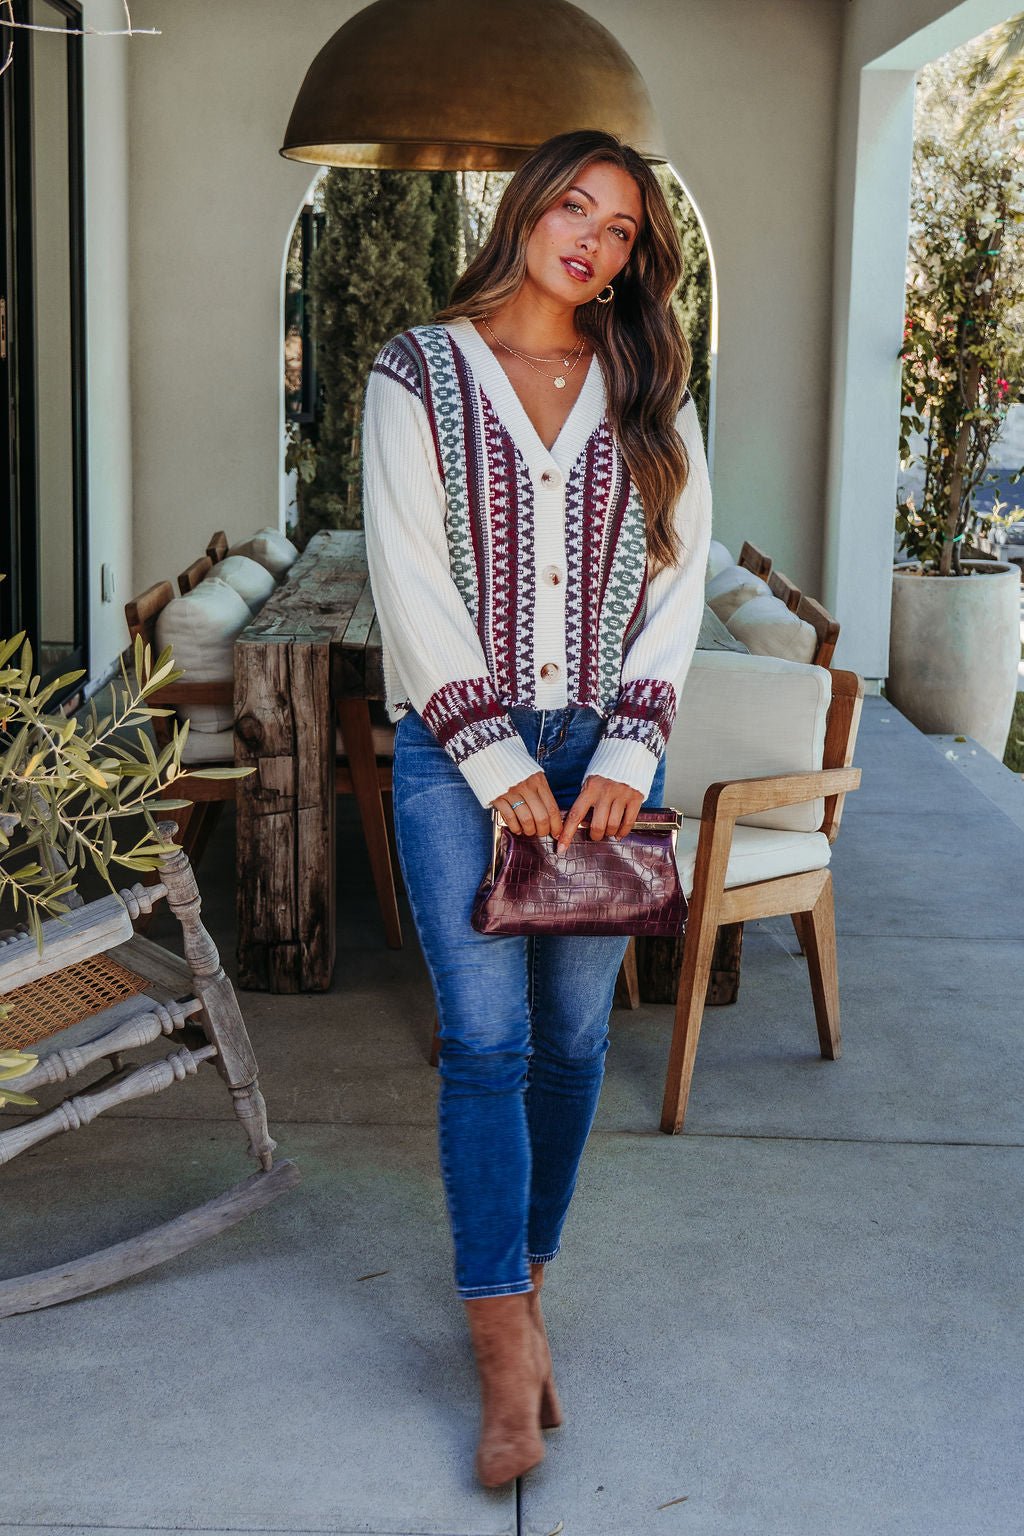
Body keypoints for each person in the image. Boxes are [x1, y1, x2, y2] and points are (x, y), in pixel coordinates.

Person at [361, 128, 713, 1487]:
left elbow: (676, 581)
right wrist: (504, 771)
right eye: (576, 206)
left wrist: (631, 746)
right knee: (486, 1038)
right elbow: (407, 574)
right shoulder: (420, 371)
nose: (594, 239)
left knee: (574, 1041)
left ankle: (531, 1271)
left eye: (623, 228)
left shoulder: (649, 379)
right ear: (527, 209)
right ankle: (502, 1342)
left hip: (612, 757)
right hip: (463, 761)